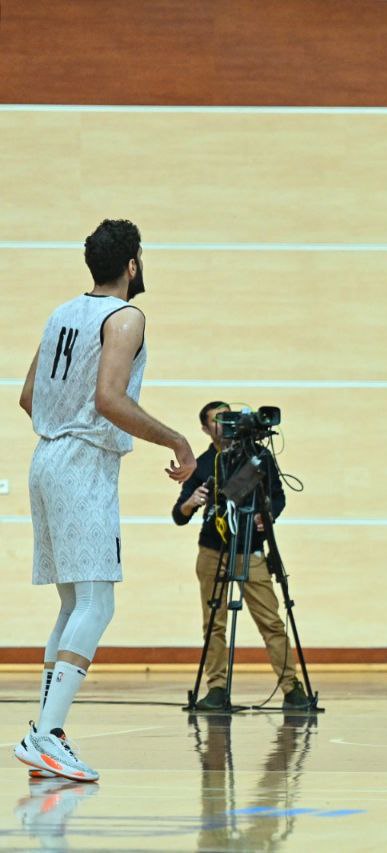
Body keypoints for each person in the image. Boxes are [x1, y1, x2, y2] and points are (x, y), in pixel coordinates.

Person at [14, 219, 197, 782]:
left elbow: (28, 396)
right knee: (96, 604)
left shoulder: (61, 313)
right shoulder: (126, 316)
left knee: (74, 604)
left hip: (47, 457)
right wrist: (177, 440)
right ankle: (47, 736)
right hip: (81, 464)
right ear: (132, 264)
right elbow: (110, 400)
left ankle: (43, 733)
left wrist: (63, 426)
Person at [172, 401, 306, 711]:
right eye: (217, 420)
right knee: (214, 624)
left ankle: (292, 687)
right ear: (205, 429)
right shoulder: (203, 464)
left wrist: (267, 515)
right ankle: (217, 688)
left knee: (271, 621)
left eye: (229, 416)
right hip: (212, 551)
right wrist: (192, 502)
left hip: (250, 549)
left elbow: (278, 497)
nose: (226, 423)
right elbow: (179, 514)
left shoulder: (258, 457)